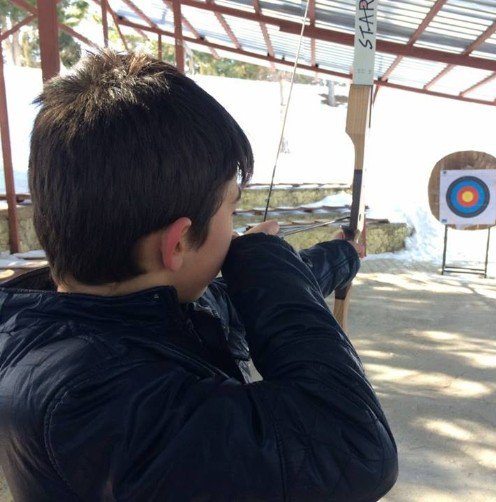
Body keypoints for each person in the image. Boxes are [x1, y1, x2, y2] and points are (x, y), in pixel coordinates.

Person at [0, 51, 397, 501]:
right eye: (231, 207)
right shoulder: (90, 398)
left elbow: (243, 300)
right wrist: (264, 258)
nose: (235, 228)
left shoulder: (127, 311)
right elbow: (351, 445)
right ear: (178, 244)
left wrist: (344, 254)